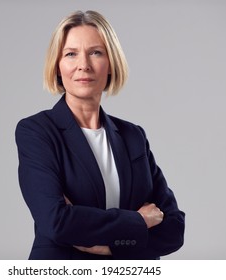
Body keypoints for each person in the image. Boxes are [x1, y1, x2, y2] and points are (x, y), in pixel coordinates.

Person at [15, 10, 185, 260]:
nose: (83, 64)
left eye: (96, 52)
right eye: (71, 54)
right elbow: (57, 221)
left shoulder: (133, 136)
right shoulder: (37, 131)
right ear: (58, 67)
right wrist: (139, 220)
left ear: (111, 64)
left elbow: (174, 229)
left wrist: (112, 246)